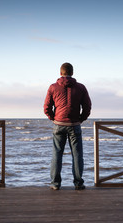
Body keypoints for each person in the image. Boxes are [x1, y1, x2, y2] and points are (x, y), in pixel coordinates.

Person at [43, 62, 92, 190]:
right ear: (72, 73)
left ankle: (55, 184)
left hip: (58, 125)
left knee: (57, 154)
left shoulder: (53, 87)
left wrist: (54, 118)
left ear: (60, 73)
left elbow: (46, 107)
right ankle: (78, 183)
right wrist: (80, 119)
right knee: (77, 155)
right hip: (74, 124)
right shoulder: (81, 87)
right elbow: (87, 107)